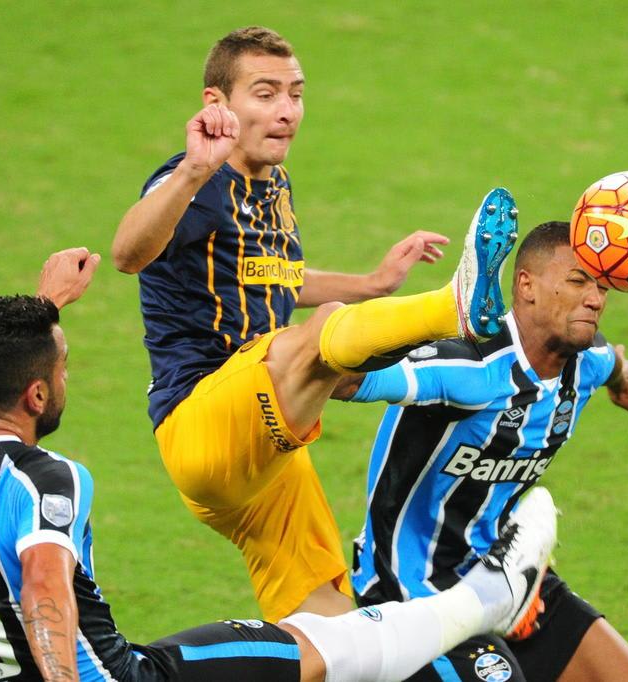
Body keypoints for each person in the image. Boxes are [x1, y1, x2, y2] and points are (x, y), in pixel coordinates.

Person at [0, 248, 558, 682]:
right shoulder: (43, 481)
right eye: (62, 367)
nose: (69, 376)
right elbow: (44, 591)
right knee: (320, 648)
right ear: (36, 395)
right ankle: (488, 597)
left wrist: (45, 312)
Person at [112, 26, 520, 621]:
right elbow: (128, 253)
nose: (286, 112)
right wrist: (192, 172)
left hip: (266, 457)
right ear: (216, 104)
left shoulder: (273, 182)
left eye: (295, 94)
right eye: (266, 93)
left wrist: (373, 285)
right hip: (201, 420)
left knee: (331, 624)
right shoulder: (195, 183)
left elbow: (275, 276)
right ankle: (449, 309)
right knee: (324, 338)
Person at [336, 221, 628, 681]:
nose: (596, 298)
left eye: (602, 286)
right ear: (525, 285)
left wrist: (624, 381)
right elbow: (351, 379)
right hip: (415, 595)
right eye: (578, 281)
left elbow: (612, 362)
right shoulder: (467, 367)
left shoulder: (587, 362)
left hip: (507, 570)